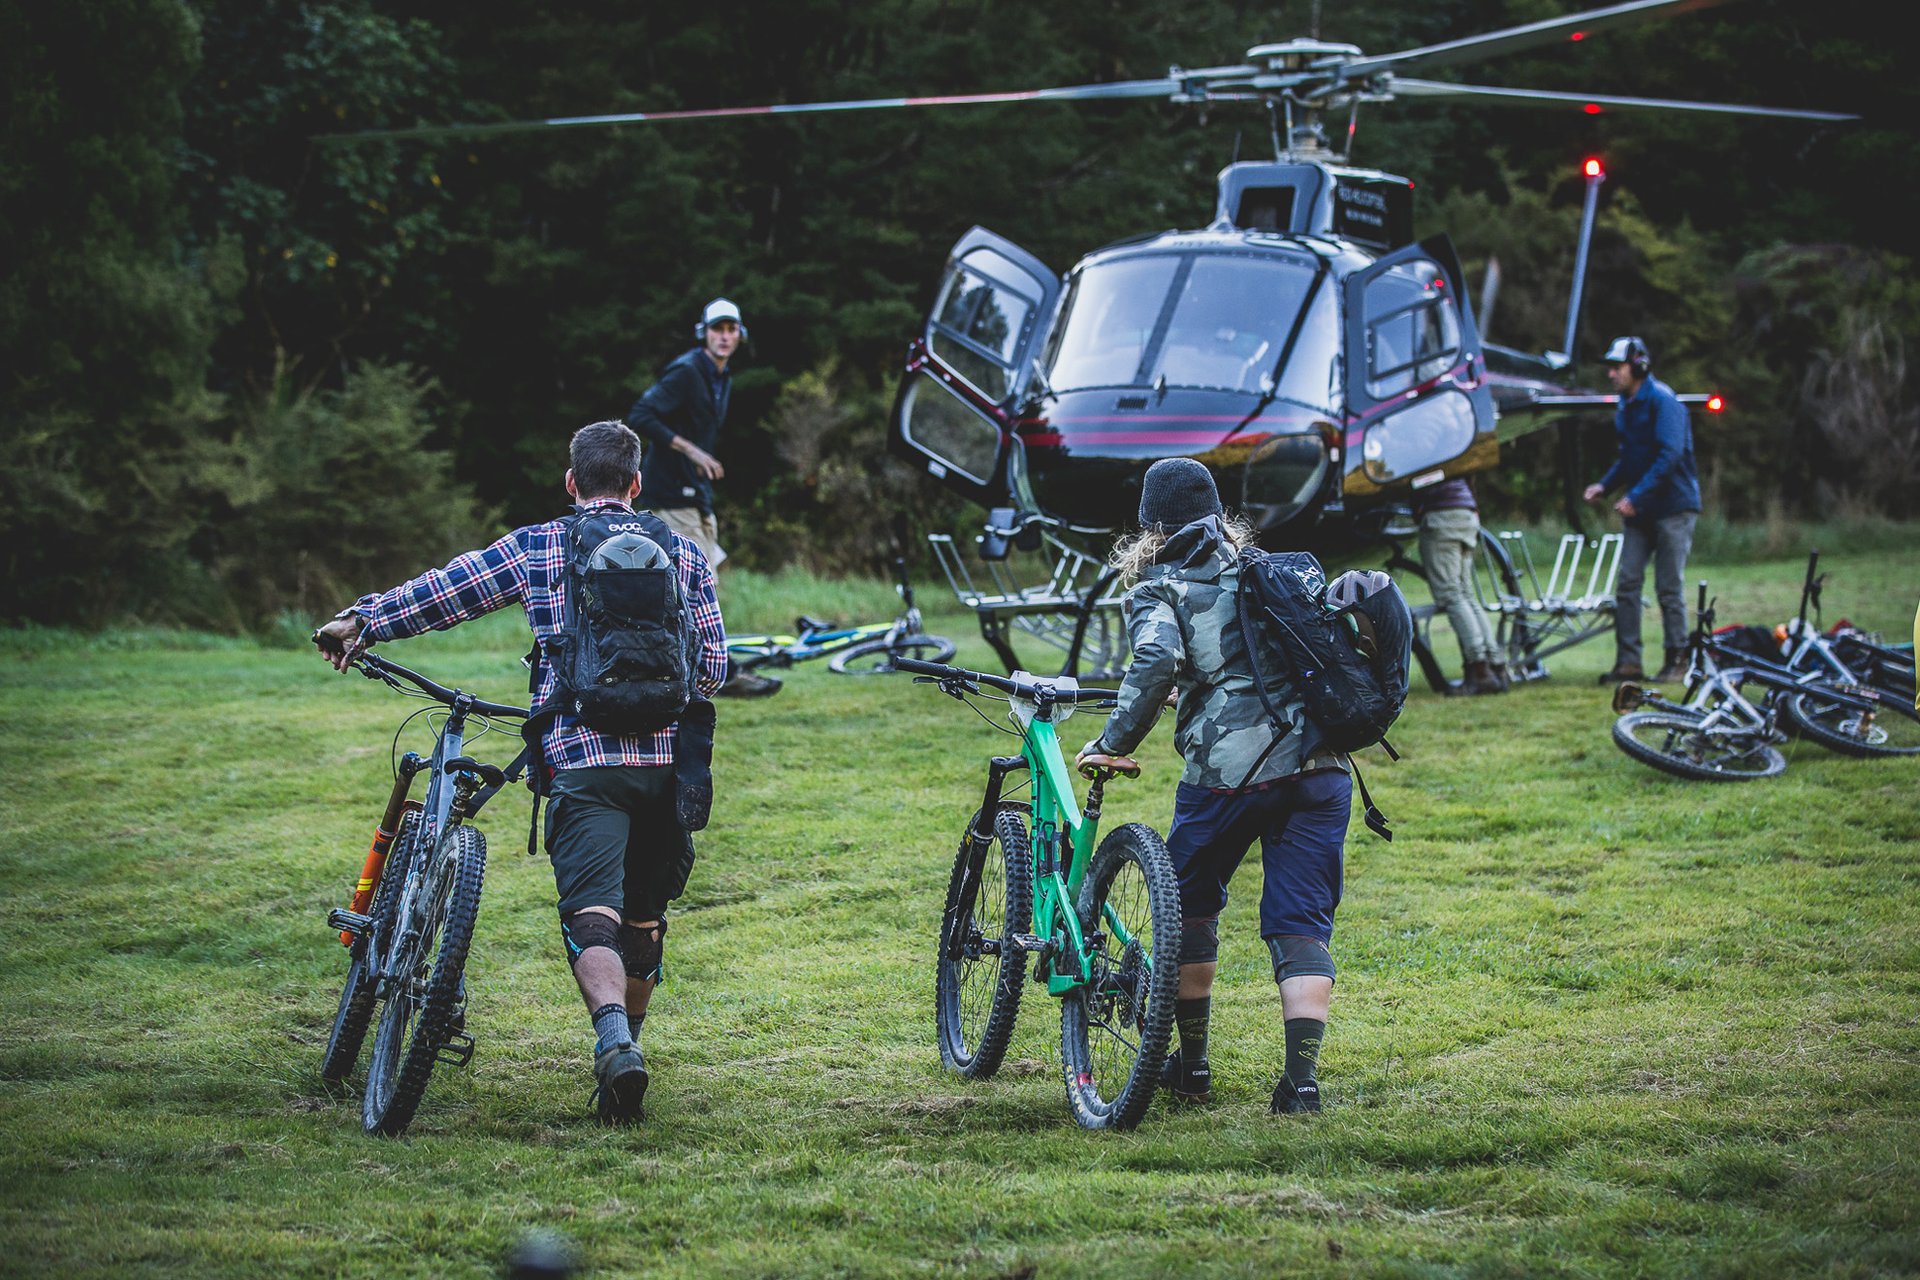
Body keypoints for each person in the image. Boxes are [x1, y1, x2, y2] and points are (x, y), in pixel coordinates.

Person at [315, 421, 728, 1126]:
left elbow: (449, 591)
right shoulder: (684, 553)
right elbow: (715, 670)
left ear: (572, 483)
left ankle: (613, 1042)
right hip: (668, 771)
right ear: (635, 485)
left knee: (590, 915)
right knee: (643, 918)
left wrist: (365, 621)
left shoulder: (540, 543)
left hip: (583, 761)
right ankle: (623, 1067)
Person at [1074, 458, 1353, 1115]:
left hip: (1229, 778)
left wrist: (1112, 743)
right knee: (1302, 923)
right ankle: (1301, 1087)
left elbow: (1156, 659)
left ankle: (1192, 1068)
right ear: (1217, 517)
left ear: (1150, 530)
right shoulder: (1273, 570)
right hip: (1322, 768)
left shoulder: (1163, 585)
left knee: (1188, 908)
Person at [624, 297, 774, 697]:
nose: (724, 337)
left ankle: (706, 669)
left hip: (696, 494)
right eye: (716, 330)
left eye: (730, 330)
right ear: (703, 333)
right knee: (692, 586)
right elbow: (640, 415)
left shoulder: (720, 377)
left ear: (739, 335)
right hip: (671, 494)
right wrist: (691, 450)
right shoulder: (688, 372)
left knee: (703, 582)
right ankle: (711, 673)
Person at [1585, 335, 1700, 685]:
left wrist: (1635, 496)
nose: (1611, 375)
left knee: (1668, 587)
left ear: (1637, 367)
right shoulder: (1627, 405)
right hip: (1641, 511)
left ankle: (1677, 659)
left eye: (1616, 368)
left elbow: (1669, 455)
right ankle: (1629, 663)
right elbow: (1630, 458)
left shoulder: (1664, 402)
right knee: (1628, 583)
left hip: (1672, 508)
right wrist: (1605, 484)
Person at [1413, 475, 1506, 695]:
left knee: (1451, 595)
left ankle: (1480, 671)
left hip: (1441, 514)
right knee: (1465, 594)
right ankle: (1496, 667)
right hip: (1466, 511)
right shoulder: (1448, 441)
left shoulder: (1420, 443)